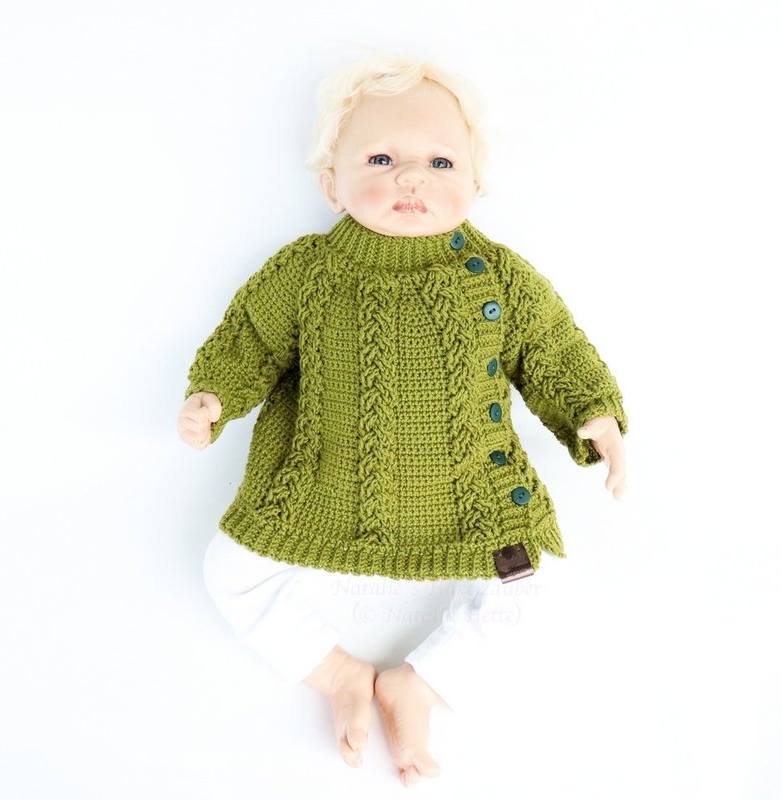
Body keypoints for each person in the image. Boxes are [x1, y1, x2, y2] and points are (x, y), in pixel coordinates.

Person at [178, 55, 627, 787]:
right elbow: (250, 340)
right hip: (321, 488)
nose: (411, 178)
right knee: (230, 571)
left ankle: (417, 686)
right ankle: (337, 675)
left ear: (475, 185)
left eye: (440, 162)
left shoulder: (498, 276)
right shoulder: (307, 271)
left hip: (471, 497)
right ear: (332, 185)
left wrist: (592, 413)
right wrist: (214, 397)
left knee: (536, 587)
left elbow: (551, 347)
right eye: (381, 160)